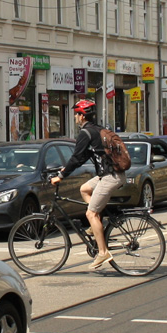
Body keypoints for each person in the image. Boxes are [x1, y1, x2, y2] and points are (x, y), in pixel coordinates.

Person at [50, 99, 126, 270]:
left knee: (90, 213)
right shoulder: (97, 129)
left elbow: (76, 157)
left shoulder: (85, 133)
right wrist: (65, 169)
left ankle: (102, 252)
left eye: (76, 114)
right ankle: (96, 226)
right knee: (84, 189)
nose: (75, 118)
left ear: (81, 116)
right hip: (111, 174)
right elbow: (83, 157)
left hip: (110, 176)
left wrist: (61, 175)